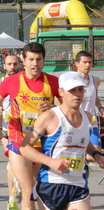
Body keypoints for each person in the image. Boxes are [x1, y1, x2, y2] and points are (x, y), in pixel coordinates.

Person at [0, 42, 62, 210]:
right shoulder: (11, 81)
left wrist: (53, 108)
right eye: (31, 59)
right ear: (24, 61)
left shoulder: (53, 82)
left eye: (38, 59)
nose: (34, 64)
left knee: (40, 189)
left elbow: (66, 109)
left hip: (43, 142)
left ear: (44, 61)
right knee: (28, 189)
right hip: (19, 140)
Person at [20, 71, 104, 210]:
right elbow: (24, 147)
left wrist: (95, 154)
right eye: (72, 90)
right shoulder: (49, 117)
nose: (77, 93)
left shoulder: (87, 117)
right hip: (51, 185)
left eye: (80, 89)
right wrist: (50, 162)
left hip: (78, 184)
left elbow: (83, 140)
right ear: (61, 92)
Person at [0, 55, 21, 210]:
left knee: (22, 162)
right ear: (4, 66)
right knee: (12, 161)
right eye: (9, 64)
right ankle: (12, 199)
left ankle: (20, 185)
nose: (12, 67)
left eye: (15, 64)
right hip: (6, 127)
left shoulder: (23, 81)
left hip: (23, 128)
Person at [74, 51, 104, 158]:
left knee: (95, 155)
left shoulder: (95, 80)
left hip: (91, 123)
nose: (88, 65)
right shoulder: (71, 80)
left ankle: (84, 161)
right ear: (77, 64)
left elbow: (95, 96)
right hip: (75, 123)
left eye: (90, 62)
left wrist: (100, 107)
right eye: (84, 62)